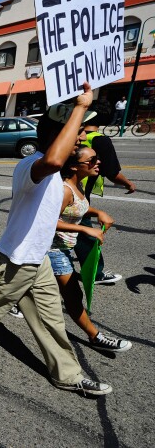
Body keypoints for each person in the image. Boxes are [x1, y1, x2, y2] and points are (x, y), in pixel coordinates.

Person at [0, 83, 113, 396]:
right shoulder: (31, 165)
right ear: (57, 135)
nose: (81, 138)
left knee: (52, 319)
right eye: (76, 133)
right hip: (14, 258)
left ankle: (67, 375)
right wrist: (79, 106)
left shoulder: (58, 175)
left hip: (37, 258)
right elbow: (54, 160)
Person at [48, 145, 132, 352]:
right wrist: (85, 230)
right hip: (53, 250)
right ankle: (96, 337)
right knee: (73, 296)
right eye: (92, 160)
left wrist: (98, 212)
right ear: (75, 167)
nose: (98, 163)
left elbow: (79, 208)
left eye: (97, 158)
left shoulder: (78, 184)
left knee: (23, 287)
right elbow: (47, 221)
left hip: (64, 248)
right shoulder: (64, 189)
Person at [75, 122, 136, 284]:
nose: (82, 137)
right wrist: (128, 183)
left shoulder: (69, 142)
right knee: (86, 236)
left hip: (79, 191)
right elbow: (112, 172)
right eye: (80, 133)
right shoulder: (101, 140)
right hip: (77, 195)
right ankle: (96, 274)